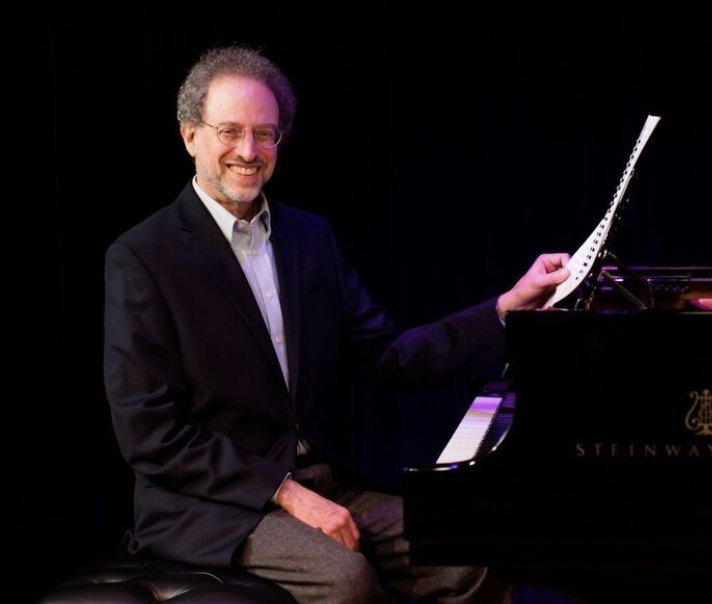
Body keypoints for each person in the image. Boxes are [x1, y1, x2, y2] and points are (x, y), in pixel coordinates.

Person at [102, 44, 570, 604]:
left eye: (265, 133)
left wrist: (505, 310)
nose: (248, 151)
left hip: (325, 485)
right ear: (190, 136)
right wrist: (286, 494)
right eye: (229, 131)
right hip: (213, 507)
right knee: (345, 581)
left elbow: (391, 356)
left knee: (468, 551)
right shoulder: (143, 256)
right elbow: (150, 433)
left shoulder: (309, 239)